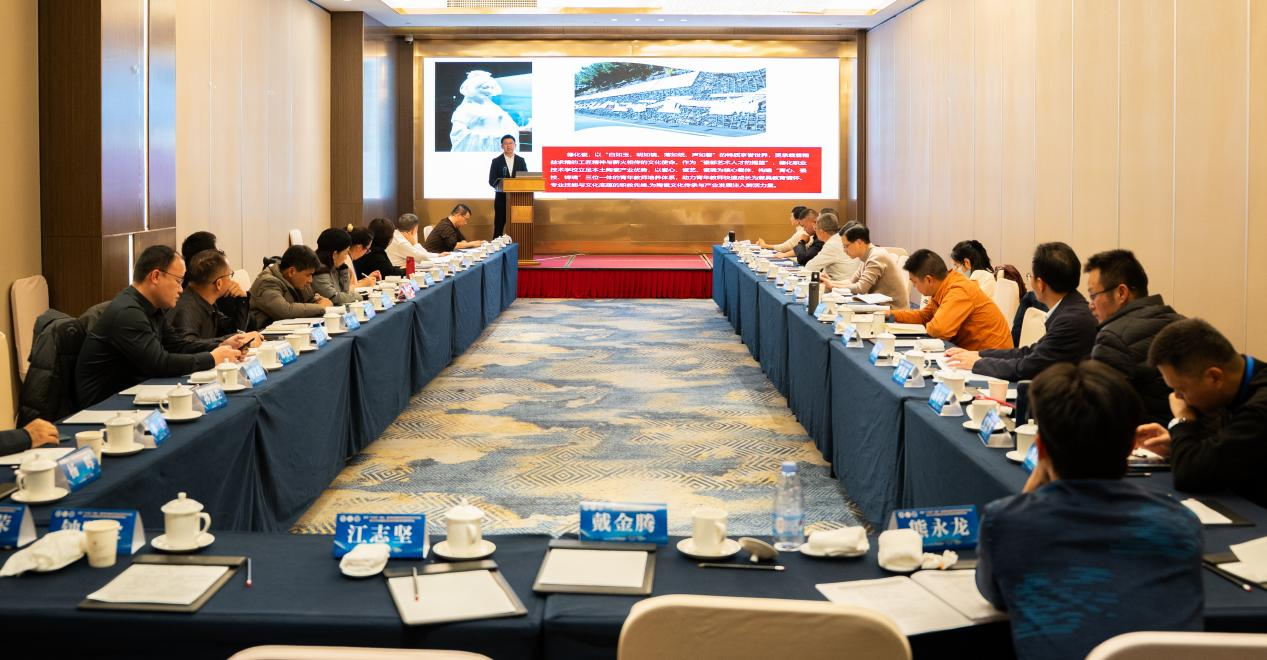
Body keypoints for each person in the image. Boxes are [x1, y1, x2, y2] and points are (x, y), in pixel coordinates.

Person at [977, 361, 1203, 660]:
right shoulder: (1180, 523)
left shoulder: (1005, 523)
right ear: (1131, 447)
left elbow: (995, 593)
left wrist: (1030, 491)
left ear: (1040, 448)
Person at [76, 246, 247, 407]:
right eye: (178, 281)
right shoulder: (128, 312)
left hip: (134, 394)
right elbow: (159, 363)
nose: (181, 289)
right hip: (105, 405)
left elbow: (178, 345)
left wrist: (221, 345)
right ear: (156, 276)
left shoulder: (152, 307)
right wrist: (212, 358)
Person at [1135, 319, 1267, 507]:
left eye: (1181, 389)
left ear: (1214, 377)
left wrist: (1182, 421)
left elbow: (1190, 475)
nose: (1176, 397)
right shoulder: (1234, 387)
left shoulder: (1260, 408)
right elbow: (1217, 450)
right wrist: (1178, 445)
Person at [946, 242, 1097, 381]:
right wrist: (979, 354)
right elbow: (1029, 353)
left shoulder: (1070, 320)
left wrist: (977, 363)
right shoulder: (1069, 309)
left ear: (1040, 284)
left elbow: (1027, 368)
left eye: (1030, 276)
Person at [1083, 249, 1184, 425]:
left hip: (1142, 439)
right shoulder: (1181, 322)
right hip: (1184, 435)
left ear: (1121, 293)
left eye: (1093, 296)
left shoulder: (1112, 338)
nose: (1090, 305)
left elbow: (1097, 413)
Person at [890, 249, 1012, 351]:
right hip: (970, 353)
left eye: (914, 282)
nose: (914, 286)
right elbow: (924, 316)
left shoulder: (958, 290)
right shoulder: (944, 285)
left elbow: (938, 330)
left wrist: (931, 323)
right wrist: (889, 314)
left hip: (992, 358)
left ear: (929, 280)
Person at [170, 249, 264, 346]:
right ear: (219, 283)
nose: (232, 281)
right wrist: (230, 341)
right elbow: (187, 346)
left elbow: (236, 331)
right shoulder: (187, 308)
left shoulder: (206, 303)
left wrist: (242, 299)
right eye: (230, 275)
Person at [179, 231, 252, 332]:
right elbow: (190, 343)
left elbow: (236, 332)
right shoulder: (188, 304)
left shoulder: (207, 301)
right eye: (218, 252)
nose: (222, 254)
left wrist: (242, 299)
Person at [249, 245, 332, 327]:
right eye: (308, 275)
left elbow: (310, 299)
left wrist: (319, 300)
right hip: (263, 332)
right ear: (291, 272)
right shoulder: (267, 282)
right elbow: (285, 311)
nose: (310, 280)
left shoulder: (297, 281)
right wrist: (321, 307)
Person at [821, 225, 906, 303]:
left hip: (892, 310)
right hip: (881, 306)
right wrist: (830, 282)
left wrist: (832, 286)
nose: (844, 250)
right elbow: (851, 281)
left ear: (858, 242)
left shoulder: (876, 256)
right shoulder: (866, 256)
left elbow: (860, 289)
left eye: (846, 246)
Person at [450, 71, 520, 153]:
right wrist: (489, 138)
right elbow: (458, 134)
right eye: (485, 87)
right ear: (473, 88)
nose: (489, 91)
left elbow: (510, 125)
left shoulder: (495, 108)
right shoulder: (464, 109)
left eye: (491, 87)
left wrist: (508, 134)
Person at [313, 228, 374, 306]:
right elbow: (335, 297)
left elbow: (345, 292)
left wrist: (343, 269)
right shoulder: (320, 272)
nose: (346, 258)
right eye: (345, 253)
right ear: (335, 254)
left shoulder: (336, 267)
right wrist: (361, 297)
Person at [489, 134, 528, 238]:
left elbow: (526, 179)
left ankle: (517, 244)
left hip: (517, 199)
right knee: (499, 226)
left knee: (518, 226)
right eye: (506, 143)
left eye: (511, 143)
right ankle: (496, 247)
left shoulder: (521, 160)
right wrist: (501, 185)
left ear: (515, 145)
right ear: (502, 146)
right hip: (501, 199)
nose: (508, 145)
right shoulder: (496, 161)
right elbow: (491, 180)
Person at [803, 214, 858, 281]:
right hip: (851, 281)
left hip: (840, 284)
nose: (815, 231)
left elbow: (810, 267)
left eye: (815, 228)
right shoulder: (839, 238)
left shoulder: (832, 244)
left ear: (821, 231)